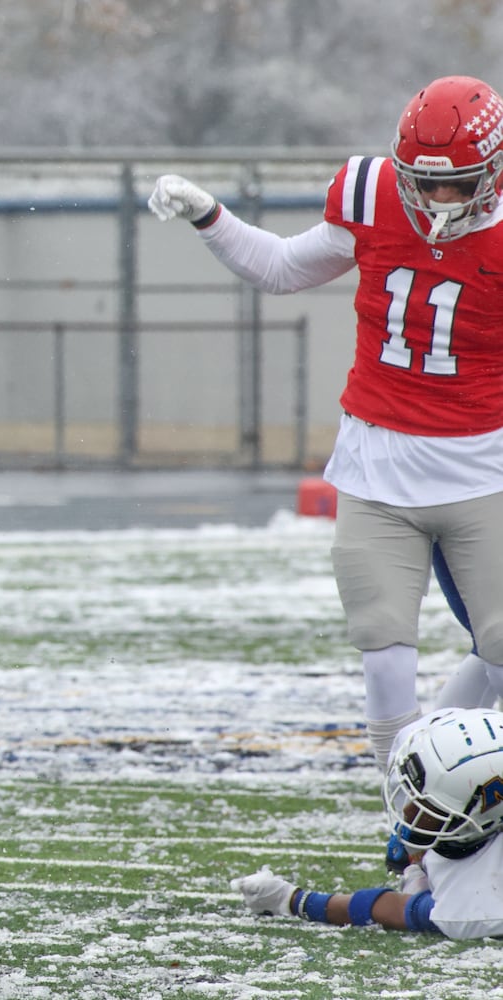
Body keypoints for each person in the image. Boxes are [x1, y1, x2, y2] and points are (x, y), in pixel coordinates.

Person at [149, 76, 503, 779]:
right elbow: (281, 268)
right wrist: (211, 216)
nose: (436, 202)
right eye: (423, 185)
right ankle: (407, 832)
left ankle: (442, 766)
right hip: (377, 463)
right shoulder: (372, 196)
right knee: (383, 657)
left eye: (456, 186)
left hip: (484, 467)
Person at [232, 707, 503, 938]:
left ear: (478, 820)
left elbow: (396, 910)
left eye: (426, 807)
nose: (407, 810)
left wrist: (294, 901)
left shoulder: (476, 908)